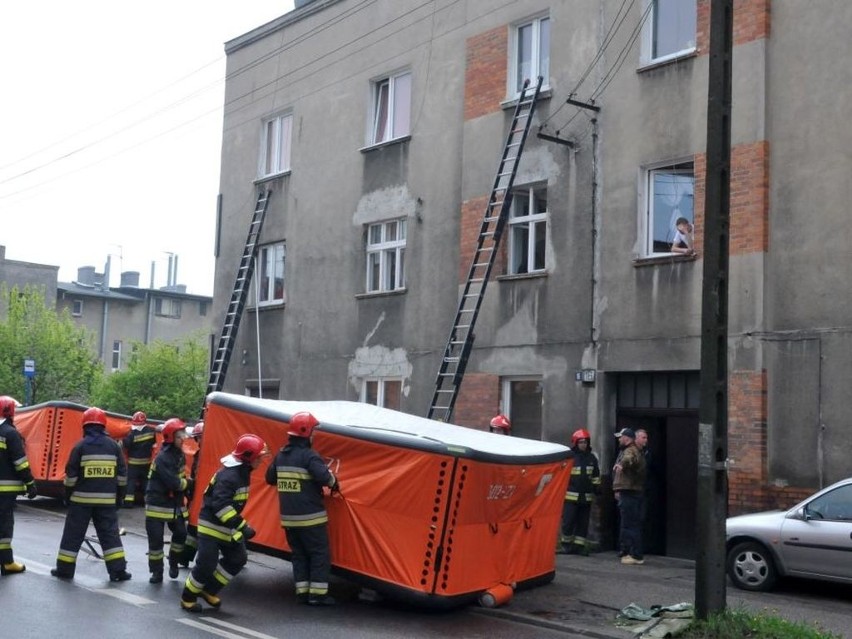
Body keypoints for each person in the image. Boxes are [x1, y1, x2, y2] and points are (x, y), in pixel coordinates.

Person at [180, 433, 267, 612]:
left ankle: (208, 589)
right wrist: (243, 527)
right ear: (249, 458)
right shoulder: (231, 476)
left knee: (237, 558)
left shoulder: (242, 472)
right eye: (259, 457)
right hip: (212, 526)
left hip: (226, 527)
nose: (261, 461)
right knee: (206, 563)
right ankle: (188, 597)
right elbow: (221, 506)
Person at [266, 411, 339, 605]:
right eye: (313, 431)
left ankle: (302, 592)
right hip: (311, 518)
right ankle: (317, 595)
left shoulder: (281, 455)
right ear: (306, 432)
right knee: (319, 554)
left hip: (289, 519)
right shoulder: (309, 456)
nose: (314, 435)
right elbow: (325, 478)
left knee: (299, 555)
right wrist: (334, 481)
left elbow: (269, 479)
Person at [51, 406, 131, 582]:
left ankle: (65, 570)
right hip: (107, 501)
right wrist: (120, 497)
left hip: (80, 502)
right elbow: (122, 476)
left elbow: (71, 476)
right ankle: (117, 571)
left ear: (85, 426)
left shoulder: (80, 446)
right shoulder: (114, 447)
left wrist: (68, 496)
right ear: (103, 425)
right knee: (110, 535)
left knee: (73, 534)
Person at [145, 418, 191, 584]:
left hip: (174, 504)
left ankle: (173, 561)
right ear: (171, 438)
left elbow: (179, 478)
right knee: (156, 541)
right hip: (157, 503)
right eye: (180, 436)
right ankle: (157, 572)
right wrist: (188, 483)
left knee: (181, 534)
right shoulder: (163, 457)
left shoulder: (179, 455)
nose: (183, 439)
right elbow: (174, 483)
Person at [0, 395, 38, 576]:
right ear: (10, 412)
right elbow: (20, 463)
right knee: (5, 525)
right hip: (5, 491)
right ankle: (7, 562)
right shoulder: (10, 433)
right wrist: (30, 483)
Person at [560, 428, 600, 555]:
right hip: (570, 498)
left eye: (585, 442)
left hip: (586, 498)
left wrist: (597, 488)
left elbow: (595, 476)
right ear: (576, 443)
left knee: (583, 523)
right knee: (568, 522)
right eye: (581, 442)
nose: (584, 444)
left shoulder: (592, 458)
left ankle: (579, 547)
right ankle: (566, 545)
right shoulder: (569, 458)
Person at [612, 427, 646, 565]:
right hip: (632, 491)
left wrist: (622, 465)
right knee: (631, 524)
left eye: (621, 437)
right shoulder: (635, 450)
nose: (619, 439)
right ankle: (632, 552)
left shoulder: (630, 451)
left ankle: (635, 555)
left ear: (627, 438)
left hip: (630, 492)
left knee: (629, 524)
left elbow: (629, 460)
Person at [122, 411, 157, 507]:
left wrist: (122, 439)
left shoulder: (132, 433)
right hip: (147, 461)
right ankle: (147, 502)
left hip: (133, 462)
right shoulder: (151, 431)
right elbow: (155, 443)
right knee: (146, 481)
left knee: (131, 481)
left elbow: (126, 445)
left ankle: (128, 502)